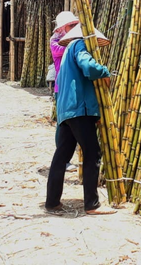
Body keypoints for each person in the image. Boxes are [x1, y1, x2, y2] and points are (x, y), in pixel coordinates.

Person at [45, 22, 115, 215]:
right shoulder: (79, 45)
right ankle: (92, 205)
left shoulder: (67, 50)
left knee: (62, 156)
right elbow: (89, 68)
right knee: (93, 153)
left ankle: (52, 202)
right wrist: (105, 72)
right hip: (79, 108)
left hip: (65, 108)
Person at [50, 11, 80, 173]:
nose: (75, 28)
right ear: (62, 28)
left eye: (76, 25)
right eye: (71, 26)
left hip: (76, 88)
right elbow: (64, 49)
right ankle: (63, 160)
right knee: (63, 124)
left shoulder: (76, 42)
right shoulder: (56, 42)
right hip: (62, 89)